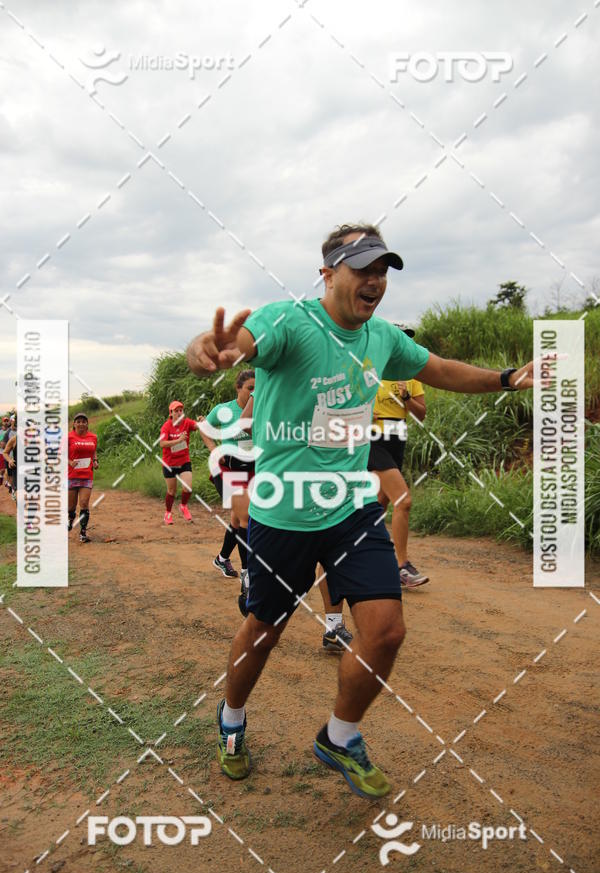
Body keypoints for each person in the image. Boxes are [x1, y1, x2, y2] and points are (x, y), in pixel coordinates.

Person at [186, 222, 534, 799]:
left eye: (382, 270)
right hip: (285, 511)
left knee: (386, 630)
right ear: (327, 275)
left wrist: (504, 379)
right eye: (362, 268)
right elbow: (237, 344)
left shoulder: (382, 338)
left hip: (351, 507)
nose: (374, 281)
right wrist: (210, 351)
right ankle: (231, 719)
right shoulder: (290, 320)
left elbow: (438, 369)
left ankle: (339, 736)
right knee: (263, 632)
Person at [369, 331, 428, 587]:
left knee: (380, 504)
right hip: (373, 439)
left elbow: (421, 414)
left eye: (408, 340)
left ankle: (365, 557)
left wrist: (406, 398)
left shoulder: (411, 378)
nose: (405, 344)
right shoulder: (371, 372)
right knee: (403, 501)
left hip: (398, 439)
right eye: (400, 339)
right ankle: (402, 566)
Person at [199, 370, 255, 604]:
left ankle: (222, 558)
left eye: (256, 388)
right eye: (249, 388)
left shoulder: (260, 409)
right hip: (226, 468)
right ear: (238, 388)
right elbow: (204, 428)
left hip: (252, 467)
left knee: (237, 518)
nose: (253, 392)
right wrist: (215, 450)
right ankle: (247, 573)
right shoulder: (225, 409)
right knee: (244, 515)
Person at [159, 401, 201, 524]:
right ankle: (168, 513)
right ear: (171, 413)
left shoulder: (187, 423)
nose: (179, 413)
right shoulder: (166, 426)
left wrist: (202, 421)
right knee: (171, 491)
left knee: (187, 488)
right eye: (176, 411)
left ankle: (183, 506)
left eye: (180, 410)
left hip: (183, 461)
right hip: (169, 463)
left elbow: (198, 426)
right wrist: (178, 440)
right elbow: (162, 443)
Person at [68, 413, 98, 542]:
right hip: (71, 475)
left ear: (87, 423)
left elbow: (94, 450)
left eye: (83, 421)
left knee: (84, 503)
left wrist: (96, 460)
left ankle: (83, 532)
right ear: (74, 424)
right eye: (78, 421)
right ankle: (70, 519)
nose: (81, 424)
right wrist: (70, 462)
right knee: (71, 507)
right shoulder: (69, 437)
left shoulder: (93, 437)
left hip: (87, 475)